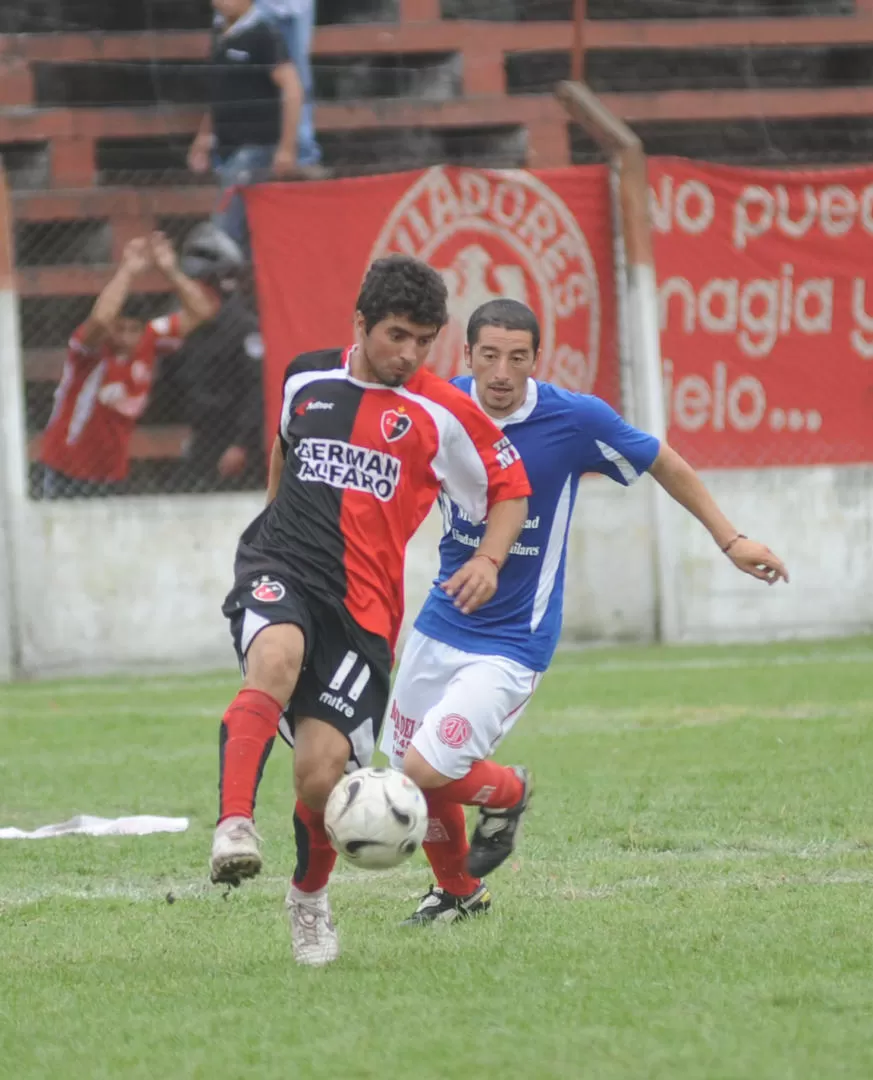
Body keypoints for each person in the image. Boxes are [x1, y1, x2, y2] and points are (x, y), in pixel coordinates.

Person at [381, 298, 790, 926]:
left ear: (535, 360)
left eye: (517, 358)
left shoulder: (573, 420)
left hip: (513, 641)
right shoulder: (439, 407)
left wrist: (730, 540)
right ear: (465, 357)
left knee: (426, 767)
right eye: (488, 356)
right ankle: (459, 894)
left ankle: (509, 792)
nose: (501, 372)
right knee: (411, 775)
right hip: (440, 620)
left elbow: (661, 460)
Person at [210, 255, 532, 967]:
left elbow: (511, 486)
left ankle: (307, 898)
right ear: (358, 323)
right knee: (275, 657)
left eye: (424, 340)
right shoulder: (306, 375)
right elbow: (285, 450)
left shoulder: (442, 410)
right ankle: (234, 825)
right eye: (396, 336)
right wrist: (270, 526)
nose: (410, 354)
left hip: (362, 613)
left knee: (322, 777)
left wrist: (488, 559)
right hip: (281, 568)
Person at [40, 233, 217, 498]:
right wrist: (127, 271)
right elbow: (100, 320)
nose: (124, 336)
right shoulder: (90, 352)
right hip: (68, 471)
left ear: (142, 329)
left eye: (132, 329)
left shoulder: (151, 337)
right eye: (119, 327)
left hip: (111, 473)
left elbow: (202, 311)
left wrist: (170, 270)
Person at [187, 0, 303, 253]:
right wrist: (205, 136)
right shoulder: (219, 33)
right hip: (227, 150)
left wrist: (287, 147)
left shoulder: (263, 33)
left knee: (223, 231)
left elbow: (293, 88)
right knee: (245, 232)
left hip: (256, 147)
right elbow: (219, 93)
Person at [173, 223, 265, 491]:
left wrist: (241, 444)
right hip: (203, 437)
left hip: (235, 440)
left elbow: (256, 390)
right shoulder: (191, 328)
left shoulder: (244, 328)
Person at [257, 0, 323, 171]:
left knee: (299, 78)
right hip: (252, 6)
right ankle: (242, 154)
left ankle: (303, 155)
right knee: (242, 68)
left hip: (295, 6)